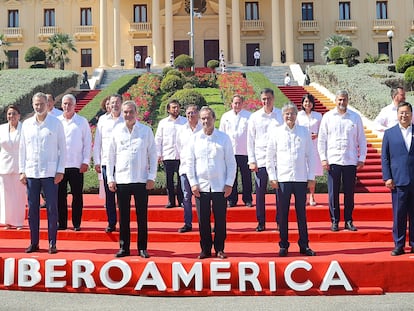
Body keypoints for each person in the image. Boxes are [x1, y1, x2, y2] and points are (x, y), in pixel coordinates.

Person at [107, 101, 157, 258]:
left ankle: (142, 247)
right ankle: (124, 247)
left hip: (141, 180)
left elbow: (153, 155)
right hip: (122, 180)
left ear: (136, 113)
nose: (128, 115)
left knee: (142, 216)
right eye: (125, 112)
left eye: (130, 112)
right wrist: (110, 178)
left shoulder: (145, 131)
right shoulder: (116, 131)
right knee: (124, 217)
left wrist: (152, 177)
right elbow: (110, 157)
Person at [266, 102, 316, 257]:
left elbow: (310, 156)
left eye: (292, 113)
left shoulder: (303, 132)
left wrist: (311, 177)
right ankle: (283, 244)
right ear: (283, 116)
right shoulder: (276, 132)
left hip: (300, 178)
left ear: (296, 115)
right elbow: (270, 157)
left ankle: (304, 244)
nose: (290, 116)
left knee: (301, 213)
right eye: (287, 113)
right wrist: (272, 177)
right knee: (283, 214)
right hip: (283, 179)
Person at [19, 92, 66, 254]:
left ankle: (52, 242)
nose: (39, 107)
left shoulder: (56, 123)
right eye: (36, 104)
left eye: (41, 104)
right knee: (33, 210)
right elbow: (22, 149)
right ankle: (34, 242)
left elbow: (63, 149)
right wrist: (21, 171)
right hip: (31, 172)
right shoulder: (26, 124)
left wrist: (60, 170)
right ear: (33, 105)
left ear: (48, 104)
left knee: (52, 208)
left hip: (50, 173)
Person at [187, 106, 236, 259]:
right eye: (203, 118)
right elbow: (189, 163)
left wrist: (229, 183)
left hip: (220, 186)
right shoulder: (194, 139)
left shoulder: (223, 138)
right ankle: (205, 249)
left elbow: (231, 163)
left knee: (220, 219)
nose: (206, 121)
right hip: (201, 186)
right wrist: (193, 183)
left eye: (208, 118)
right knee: (203, 220)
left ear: (214, 119)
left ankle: (220, 248)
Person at [318, 90, 367, 232]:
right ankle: (335, 221)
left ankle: (349, 220)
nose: (341, 102)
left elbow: (362, 140)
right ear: (335, 100)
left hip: (350, 160)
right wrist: (323, 158)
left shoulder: (355, 117)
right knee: (333, 193)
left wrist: (362, 158)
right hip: (333, 160)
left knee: (349, 193)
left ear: (348, 100)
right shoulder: (328, 117)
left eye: (344, 100)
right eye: (339, 100)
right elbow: (322, 140)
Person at [247, 88, 283, 232]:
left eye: (268, 98)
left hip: (278, 160)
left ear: (273, 98)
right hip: (261, 159)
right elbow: (250, 140)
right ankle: (261, 222)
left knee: (280, 192)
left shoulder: (280, 115)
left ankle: (280, 221)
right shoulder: (254, 117)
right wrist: (252, 160)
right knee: (260, 192)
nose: (266, 101)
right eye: (263, 99)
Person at [381, 101, 414, 256]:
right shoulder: (390, 133)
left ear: (411, 114)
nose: (404, 115)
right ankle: (399, 245)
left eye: (407, 112)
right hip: (398, 181)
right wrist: (387, 177)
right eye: (401, 113)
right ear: (397, 114)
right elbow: (385, 158)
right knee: (399, 215)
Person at [57, 94, 92, 231]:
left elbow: (87, 143)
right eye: (65, 104)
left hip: (77, 165)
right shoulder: (57, 121)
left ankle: (76, 223)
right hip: (60, 166)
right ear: (61, 105)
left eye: (69, 104)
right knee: (60, 196)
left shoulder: (82, 122)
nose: (67, 106)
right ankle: (62, 223)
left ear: (75, 105)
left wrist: (85, 161)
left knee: (77, 195)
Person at [93, 94, 124, 233]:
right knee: (109, 196)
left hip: (123, 163)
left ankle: (124, 222)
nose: (114, 105)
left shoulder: (127, 119)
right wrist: (97, 161)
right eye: (112, 103)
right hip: (106, 162)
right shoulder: (103, 121)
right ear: (108, 104)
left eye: (117, 102)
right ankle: (111, 222)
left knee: (123, 195)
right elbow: (98, 142)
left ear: (122, 104)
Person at [219, 95, 253, 207]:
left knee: (246, 177)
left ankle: (247, 199)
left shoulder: (249, 116)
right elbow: (221, 134)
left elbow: (252, 135)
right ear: (231, 104)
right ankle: (231, 199)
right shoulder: (225, 116)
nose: (237, 105)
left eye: (239, 103)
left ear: (242, 104)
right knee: (231, 177)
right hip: (230, 151)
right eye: (235, 103)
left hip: (245, 151)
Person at [155, 99, 187, 208]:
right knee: (169, 180)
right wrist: (158, 154)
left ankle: (181, 200)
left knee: (181, 180)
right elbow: (158, 139)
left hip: (181, 156)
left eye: (177, 107)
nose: (176, 109)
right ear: (168, 109)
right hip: (167, 155)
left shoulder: (185, 121)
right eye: (173, 107)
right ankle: (171, 201)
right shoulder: (163, 123)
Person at [176, 105, 202, 233]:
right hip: (185, 168)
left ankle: (204, 222)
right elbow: (179, 147)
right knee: (186, 196)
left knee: (203, 197)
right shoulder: (181, 130)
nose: (190, 115)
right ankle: (188, 223)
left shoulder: (204, 128)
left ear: (198, 114)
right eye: (188, 113)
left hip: (201, 169)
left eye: (193, 113)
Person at [0, 105, 26, 230]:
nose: (12, 116)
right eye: (9, 114)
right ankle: (8, 221)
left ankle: (18, 222)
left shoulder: (24, 129)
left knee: (19, 195)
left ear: (19, 115)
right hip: (4, 166)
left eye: (14, 113)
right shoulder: (1, 129)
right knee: (6, 195)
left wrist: (25, 169)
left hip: (19, 166)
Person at [296, 94, 323, 206]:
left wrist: (316, 135)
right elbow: (295, 129)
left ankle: (312, 196)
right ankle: (303, 196)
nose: (308, 104)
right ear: (302, 103)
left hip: (314, 146)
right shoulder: (298, 115)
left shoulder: (318, 116)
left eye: (310, 102)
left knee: (312, 173)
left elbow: (323, 131)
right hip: (302, 146)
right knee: (302, 172)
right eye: (306, 102)